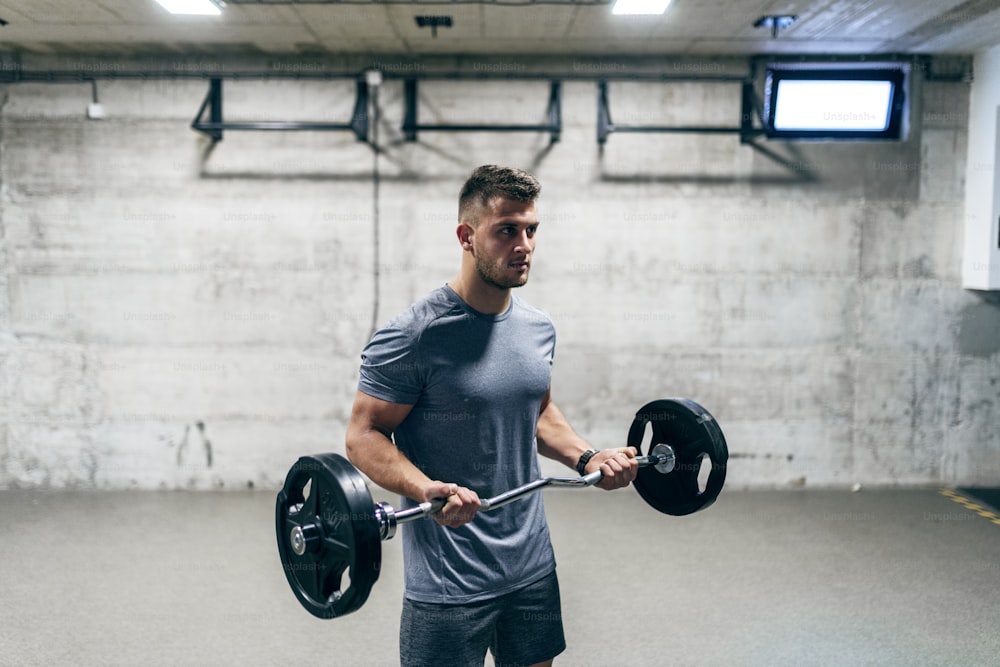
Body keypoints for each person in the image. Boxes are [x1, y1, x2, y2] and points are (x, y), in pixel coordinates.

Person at [345, 165, 638, 667]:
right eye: (506, 230)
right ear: (466, 236)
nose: (523, 245)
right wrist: (423, 489)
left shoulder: (536, 328)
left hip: (531, 566)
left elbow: (538, 411)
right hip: (448, 579)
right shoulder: (416, 335)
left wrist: (588, 457)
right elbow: (363, 435)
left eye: (531, 230)